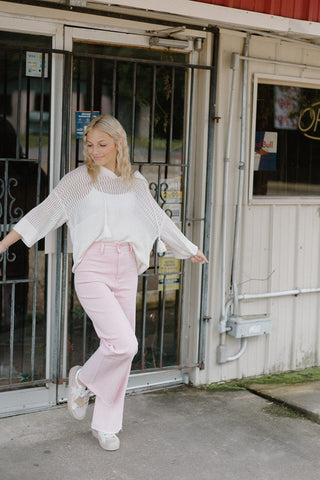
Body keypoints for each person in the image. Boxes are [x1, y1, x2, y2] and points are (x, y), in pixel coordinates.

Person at [0, 114, 208, 451]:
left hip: (125, 268)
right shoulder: (78, 180)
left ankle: (106, 425)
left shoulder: (135, 183)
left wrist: (189, 249)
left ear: (119, 144)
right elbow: (43, 213)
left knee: (120, 351)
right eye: (90, 145)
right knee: (125, 344)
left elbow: (158, 220)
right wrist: (4, 243)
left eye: (102, 144)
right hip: (92, 268)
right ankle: (81, 379)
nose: (95, 151)